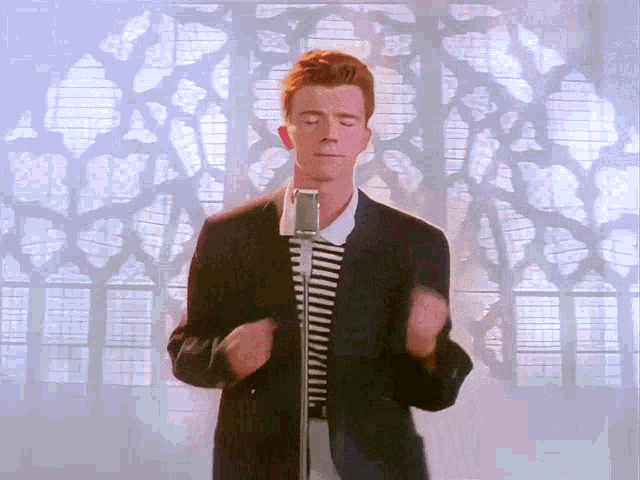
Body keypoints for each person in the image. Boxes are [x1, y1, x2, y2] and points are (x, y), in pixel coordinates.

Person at [167, 49, 472, 480]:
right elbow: (185, 350)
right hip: (258, 462)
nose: (330, 135)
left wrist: (426, 350)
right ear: (286, 133)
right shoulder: (229, 235)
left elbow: (434, 394)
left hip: (375, 465)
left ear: (364, 138)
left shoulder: (416, 244)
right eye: (312, 120)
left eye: (346, 122)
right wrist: (225, 357)